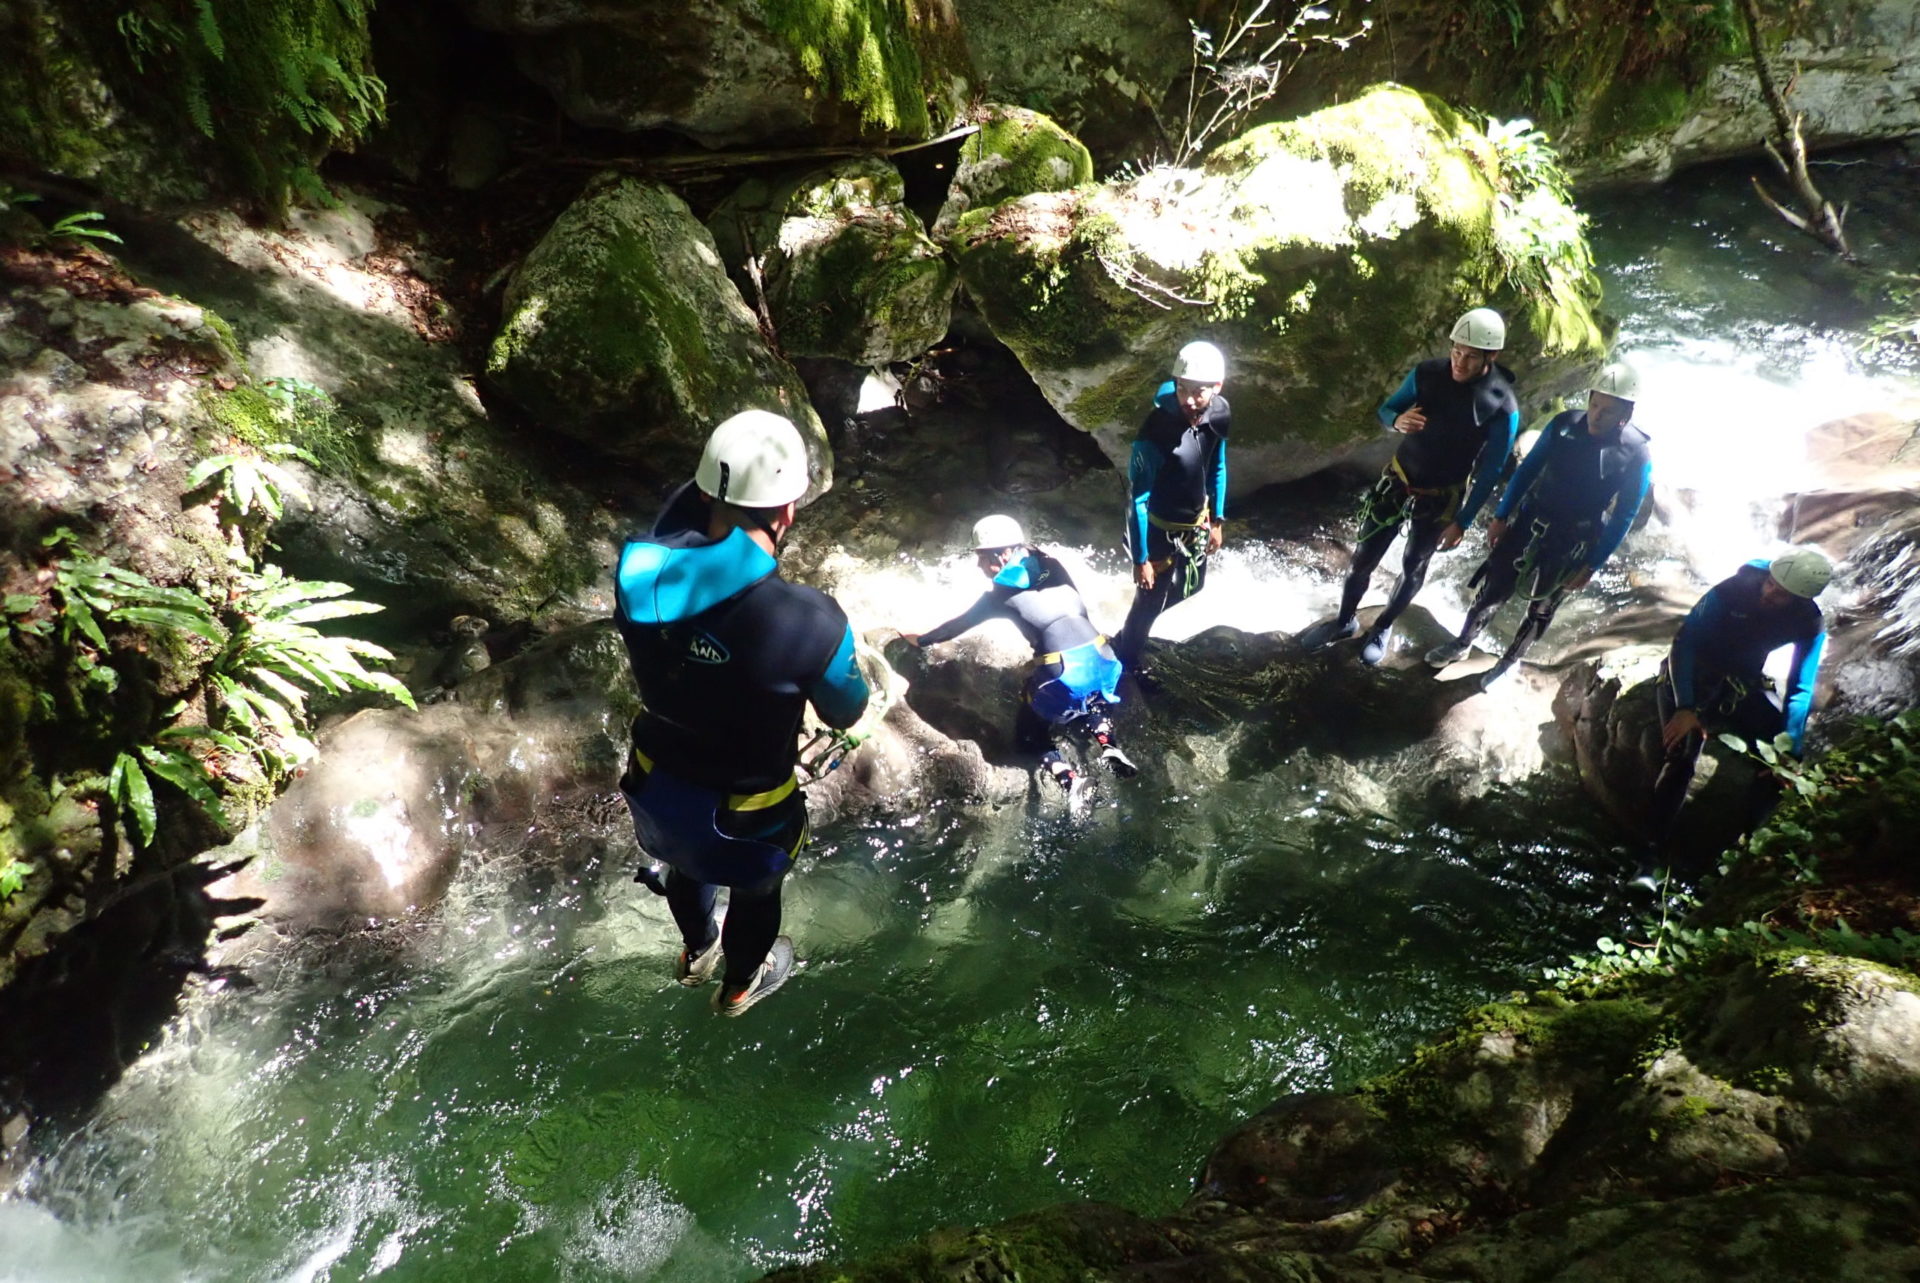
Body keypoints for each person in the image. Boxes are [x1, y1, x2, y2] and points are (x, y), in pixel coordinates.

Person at [612, 409, 870, 1016]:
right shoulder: (809, 620)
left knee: (684, 865)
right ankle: (739, 985)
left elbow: (672, 530)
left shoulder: (637, 575)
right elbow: (846, 711)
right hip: (746, 813)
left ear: (702, 493)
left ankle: (696, 949)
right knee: (755, 892)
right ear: (787, 513)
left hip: (656, 787)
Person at [1308, 308, 1518, 666]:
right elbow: (1387, 410)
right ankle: (1345, 621)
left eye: (1470, 356)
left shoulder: (1502, 406)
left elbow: (1492, 470)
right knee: (1363, 559)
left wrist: (1462, 522)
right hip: (1399, 479)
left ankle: (1384, 625)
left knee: (1414, 565)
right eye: (1456, 352)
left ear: (1491, 357)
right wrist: (1397, 420)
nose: (1460, 362)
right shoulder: (1427, 373)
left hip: (1441, 496)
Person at [1424, 361, 1652, 689]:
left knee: (1541, 606)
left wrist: (1592, 564)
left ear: (1625, 415)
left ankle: (1508, 662)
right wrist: (1501, 516)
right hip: (1532, 519)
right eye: (1594, 404)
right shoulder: (1564, 425)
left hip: (1575, 538)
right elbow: (1528, 469)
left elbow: (1625, 514)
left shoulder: (1636, 454)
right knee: (1493, 586)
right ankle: (1463, 643)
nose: (1596, 415)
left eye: (1607, 410)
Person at [904, 515, 1137, 797]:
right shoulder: (1053, 564)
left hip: (1062, 674)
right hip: (1104, 657)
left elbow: (953, 627)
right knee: (1093, 700)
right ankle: (1108, 744)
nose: (979, 566)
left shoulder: (998, 596)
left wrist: (919, 639)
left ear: (1003, 554)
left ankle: (1071, 782)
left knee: (1029, 735)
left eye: (981, 558)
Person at [1645, 548, 1833, 876]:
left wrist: (1790, 747)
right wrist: (1686, 707)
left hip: (1739, 687)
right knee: (1684, 751)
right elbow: (1684, 642)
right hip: (1691, 676)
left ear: (1800, 599)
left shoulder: (1809, 622)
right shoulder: (1735, 588)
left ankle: (1747, 859)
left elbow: (1801, 688)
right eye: (1772, 583)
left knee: (1777, 767)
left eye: (1782, 593)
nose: (1771, 592)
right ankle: (1649, 857)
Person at [1114, 340, 1230, 673]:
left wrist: (1218, 519)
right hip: (1157, 532)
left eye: (1199, 391)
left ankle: (1132, 632)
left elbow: (1217, 464)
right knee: (1148, 602)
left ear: (1217, 388)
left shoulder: (1218, 414)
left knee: (1194, 585)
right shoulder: (1155, 432)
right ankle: (1128, 659)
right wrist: (1141, 559)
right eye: (1183, 389)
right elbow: (1136, 499)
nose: (1190, 400)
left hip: (1196, 524)